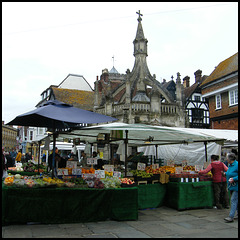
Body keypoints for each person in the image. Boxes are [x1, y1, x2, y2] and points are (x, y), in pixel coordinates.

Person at [222, 153, 238, 222]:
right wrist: (225, 173)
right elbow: (229, 172)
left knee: (233, 200)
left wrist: (234, 179)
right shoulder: (230, 165)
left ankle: (231, 216)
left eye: (227, 158)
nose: (226, 159)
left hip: (236, 186)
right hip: (231, 186)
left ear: (230, 159)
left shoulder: (237, 165)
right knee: (235, 201)